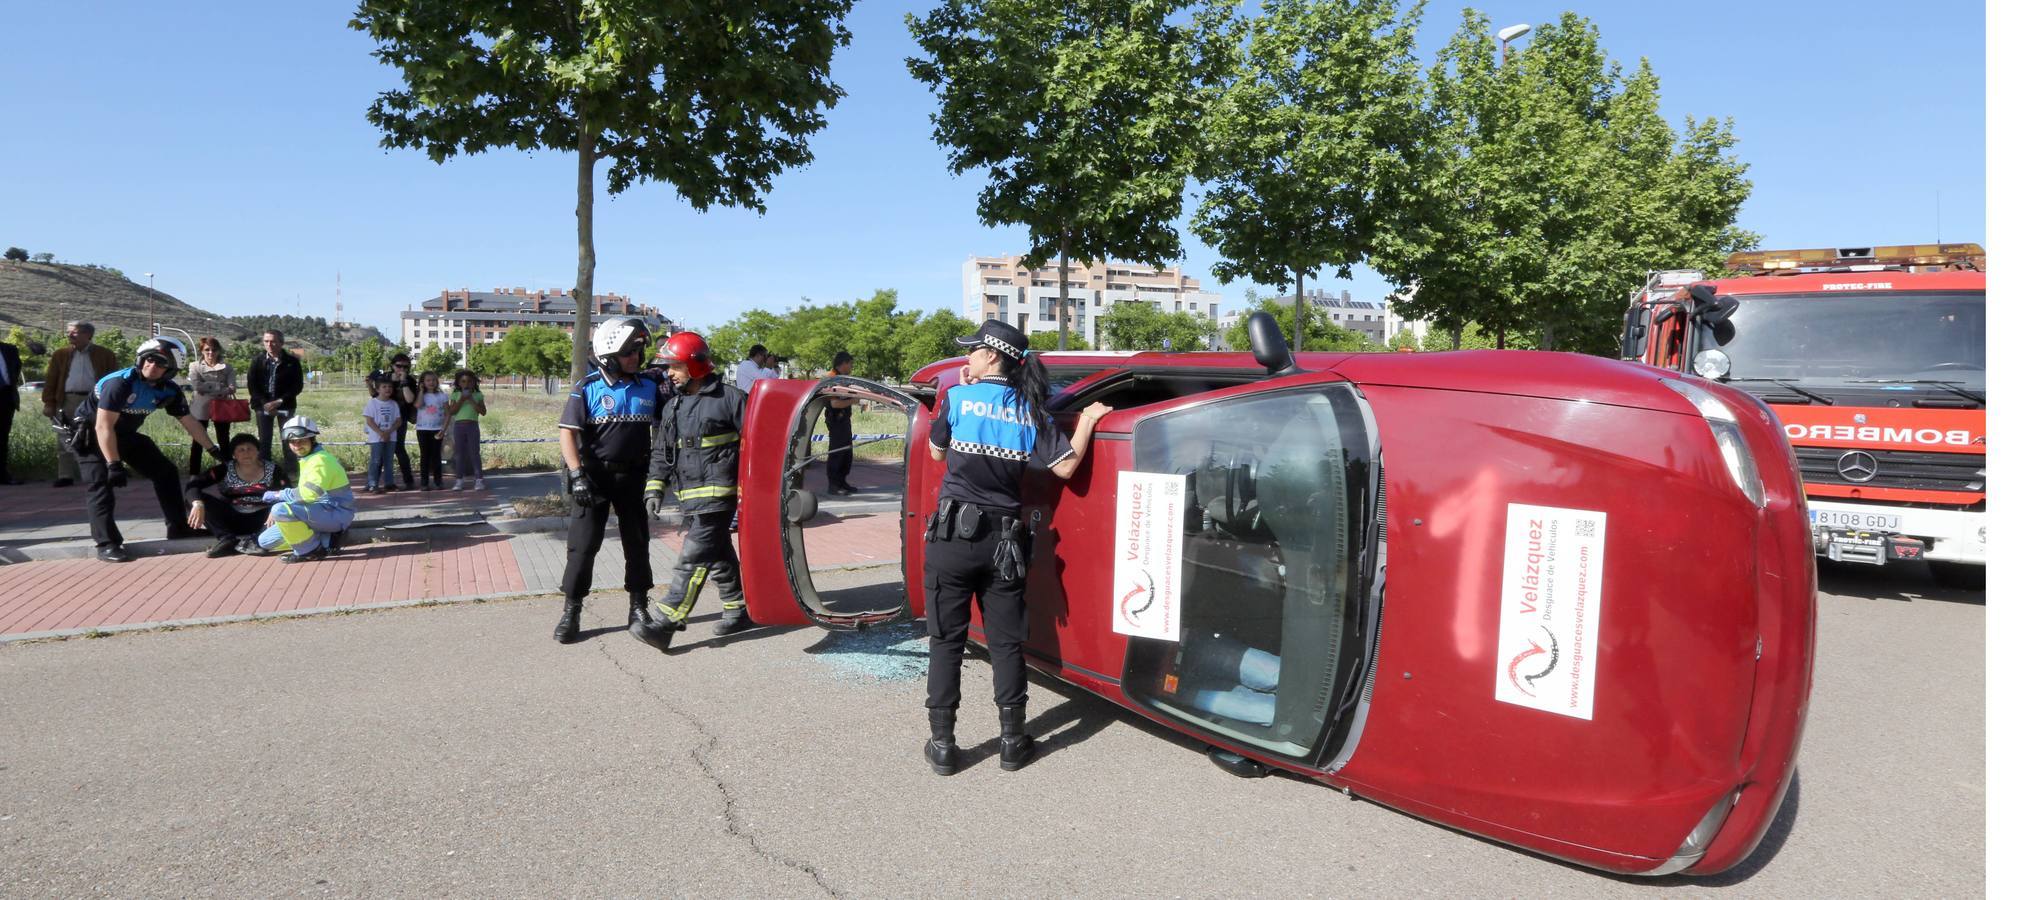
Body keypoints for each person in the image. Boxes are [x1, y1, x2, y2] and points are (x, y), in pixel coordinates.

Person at [919, 319, 1111, 774]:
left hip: (951, 539)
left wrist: (962, 392)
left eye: (972, 352)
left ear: (991, 356)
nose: (967, 358)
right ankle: (1012, 742)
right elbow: (1065, 469)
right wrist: (1086, 421)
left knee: (946, 641)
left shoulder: (959, 399)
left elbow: (936, 454)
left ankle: (943, 746)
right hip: (1004, 543)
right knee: (1006, 644)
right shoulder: (1031, 411)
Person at [631, 330, 750, 647]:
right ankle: (738, 608)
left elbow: (758, 446)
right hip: (691, 498)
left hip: (719, 498)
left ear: (696, 366)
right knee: (719, 554)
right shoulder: (672, 408)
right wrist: (654, 488)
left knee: (693, 559)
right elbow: (661, 452)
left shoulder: (732, 400)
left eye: (675, 367)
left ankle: (666, 623)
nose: (669, 374)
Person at [553, 318, 666, 643]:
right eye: (631, 351)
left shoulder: (647, 385)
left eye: (640, 351)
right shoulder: (587, 387)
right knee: (582, 547)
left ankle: (638, 607)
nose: (637, 357)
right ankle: (572, 609)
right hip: (594, 478)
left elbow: (670, 417)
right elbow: (567, 434)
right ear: (609, 353)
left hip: (634, 476)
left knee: (638, 544)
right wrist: (576, 475)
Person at [78, 337, 226, 562]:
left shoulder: (169, 390)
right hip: (91, 435)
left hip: (124, 434)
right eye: (148, 360)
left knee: (165, 472)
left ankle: (178, 528)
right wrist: (114, 464)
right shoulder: (120, 384)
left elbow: (189, 422)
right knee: (100, 484)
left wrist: (213, 450)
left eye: (160, 363)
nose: (152, 366)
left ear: (171, 369)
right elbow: (103, 426)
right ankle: (107, 544)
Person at [256, 416, 355, 562]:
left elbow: (308, 495)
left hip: (336, 513)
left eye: (301, 441)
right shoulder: (308, 459)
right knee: (264, 541)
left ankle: (309, 551)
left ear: (312, 439)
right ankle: (326, 539)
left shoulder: (320, 461)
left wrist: (278, 495)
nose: (297, 445)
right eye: (292, 442)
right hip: (317, 511)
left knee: (280, 510)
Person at [185, 433, 290, 557]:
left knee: (285, 507)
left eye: (250, 449)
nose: (246, 453)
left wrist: (277, 508)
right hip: (232, 518)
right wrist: (198, 504)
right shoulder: (224, 469)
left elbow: (289, 492)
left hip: (263, 520)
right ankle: (226, 539)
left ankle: (256, 542)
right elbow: (193, 486)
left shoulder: (274, 470)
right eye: (241, 450)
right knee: (195, 500)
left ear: (258, 451)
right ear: (234, 454)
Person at [42, 321, 117, 487]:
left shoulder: (105, 354)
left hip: (95, 401)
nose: (69, 335)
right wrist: (49, 402)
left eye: (74, 332)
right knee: (65, 436)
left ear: (88, 335)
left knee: (99, 434)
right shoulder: (60, 354)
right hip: (68, 399)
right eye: (69, 332)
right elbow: (51, 379)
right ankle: (66, 475)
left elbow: (114, 380)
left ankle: (103, 471)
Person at [248, 330, 304, 469]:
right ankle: (265, 474)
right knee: (264, 442)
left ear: (281, 343)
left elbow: (297, 386)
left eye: (273, 341)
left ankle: (291, 473)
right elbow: (252, 385)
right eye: (266, 341)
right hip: (262, 407)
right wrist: (264, 403)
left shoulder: (292, 362)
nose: (269, 344)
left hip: (286, 406)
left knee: (289, 440)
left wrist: (279, 401)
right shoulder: (257, 361)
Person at [185, 336, 237, 476]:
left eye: (214, 349)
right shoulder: (194, 366)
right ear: (202, 351)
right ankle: (193, 474)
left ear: (218, 351)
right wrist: (220, 387)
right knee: (198, 442)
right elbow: (196, 385)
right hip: (200, 408)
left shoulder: (228, 368)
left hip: (221, 408)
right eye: (207, 349)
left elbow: (232, 387)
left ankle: (229, 473)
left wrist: (208, 387)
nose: (210, 353)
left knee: (224, 440)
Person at [368, 354, 420, 489]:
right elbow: (375, 395)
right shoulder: (384, 377)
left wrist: (403, 382)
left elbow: (409, 399)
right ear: (392, 366)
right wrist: (369, 384)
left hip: (399, 418)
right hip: (381, 418)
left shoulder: (409, 380)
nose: (401, 369)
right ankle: (373, 483)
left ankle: (408, 481)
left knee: (399, 449)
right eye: (398, 366)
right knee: (379, 450)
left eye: (405, 366)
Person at [824, 350, 859, 496]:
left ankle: (842, 481)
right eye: (850, 364)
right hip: (836, 420)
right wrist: (853, 401)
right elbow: (835, 404)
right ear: (843, 364)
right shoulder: (831, 379)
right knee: (837, 452)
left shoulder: (841, 379)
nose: (851, 367)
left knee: (846, 452)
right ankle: (833, 485)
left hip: (844, 420)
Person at [445, 369, 487, 490]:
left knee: (474, 453)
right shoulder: (456, 394)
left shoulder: (478, 395)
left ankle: (479, 480)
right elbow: (452, 411)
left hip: (472, 426)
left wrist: (471, 400)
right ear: (459, 383)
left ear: (474, 382)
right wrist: (462, 399)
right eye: (463, 381)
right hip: (459, 426)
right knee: (459, 454)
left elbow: (483, 412)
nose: (466, 384)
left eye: (469, 381)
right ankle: (459, 480)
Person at [362, 377, 401, 493]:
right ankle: (372, 483)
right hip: (376, 438)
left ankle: (389, 483)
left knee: (389, 460)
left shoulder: (394, 404)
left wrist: (388, 432)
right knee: (376, 460)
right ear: (378, 389)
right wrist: (381, 433)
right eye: (384, 387)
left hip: (391, 437)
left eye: (389, 387)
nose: (387, 389)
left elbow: (398, 421)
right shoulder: (372, 403)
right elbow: (369, 420)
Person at [414, 371, 449, 490]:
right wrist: (421, 391)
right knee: (425, 456)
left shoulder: (442, 396)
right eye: (428, 380)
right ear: (423, 382)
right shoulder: (420, 395)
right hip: (422, 429)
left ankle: (438, 481)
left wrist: (443, 429)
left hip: (437, 429)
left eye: (433, 380)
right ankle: (424, 482)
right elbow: (418, 405)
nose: (431, 383)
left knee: (436, 456)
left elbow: (447, 413)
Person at [0, 336, 21, 485]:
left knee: (2, 438)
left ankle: (3, 474)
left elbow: (16, 370)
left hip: (6, 398)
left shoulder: (10, 350)